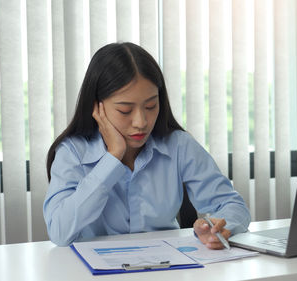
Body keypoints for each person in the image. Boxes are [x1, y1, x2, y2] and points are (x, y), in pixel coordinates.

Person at [44, 42, 251, 248]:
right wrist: (112, 158)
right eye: (125, 110)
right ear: (97, 107)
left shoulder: (178, 145)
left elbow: (233, 206)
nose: (141, 122)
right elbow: (60, 232)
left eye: (151, 106)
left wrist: (220, 227)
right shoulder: (72, 152)